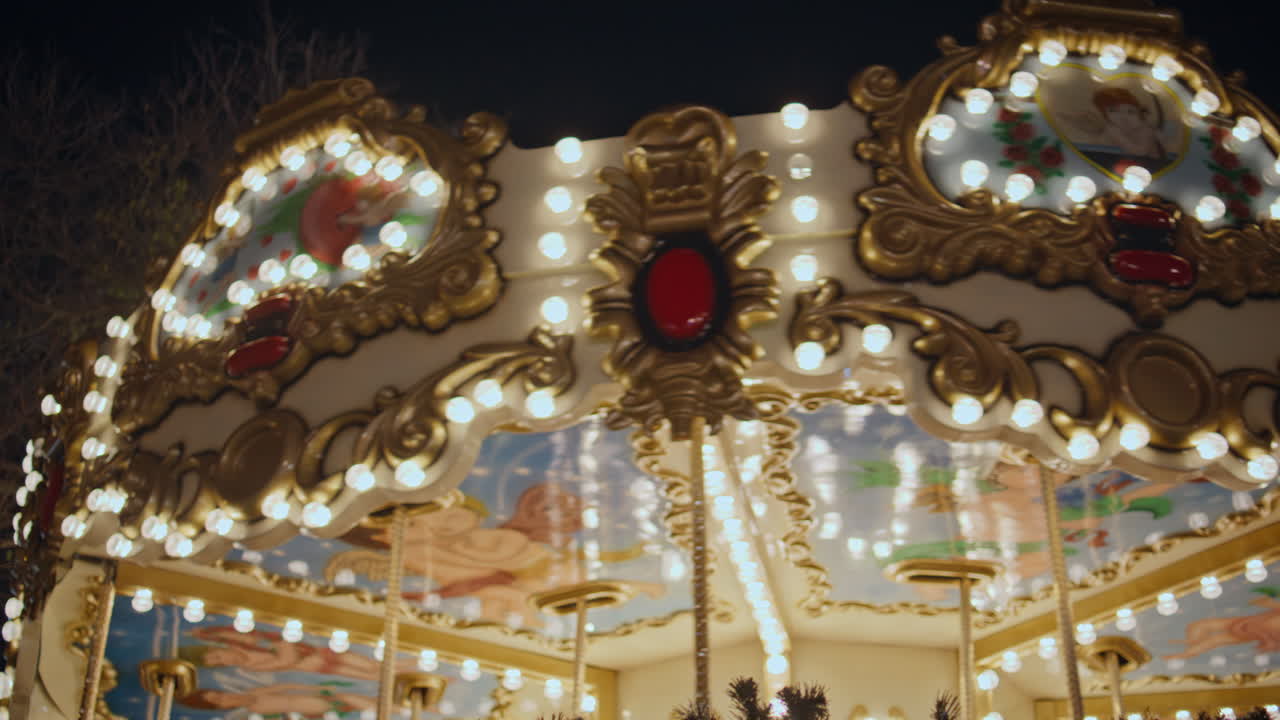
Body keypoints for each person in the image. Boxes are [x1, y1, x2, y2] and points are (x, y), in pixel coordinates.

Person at [183, 626, 389, 681]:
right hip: (316, 664)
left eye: (218, 655)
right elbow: (285, 661)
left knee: (375, 665)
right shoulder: (250, 665)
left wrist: (209, 634)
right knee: (371, 674)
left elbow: (274, 642)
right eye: (219, 663)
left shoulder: (244, 644)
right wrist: (283, 649)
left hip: (315, 653)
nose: (223, 659)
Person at [179, 683, 375, 716]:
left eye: (219, 694)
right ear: (220, 707)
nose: (225, 697)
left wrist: (316, 688)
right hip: (315, 713)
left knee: (355, 699)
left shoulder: (256, 692)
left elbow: (287, 686)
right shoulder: (252, 713)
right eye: (219, 701)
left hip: (317, 700)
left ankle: (400, 710)